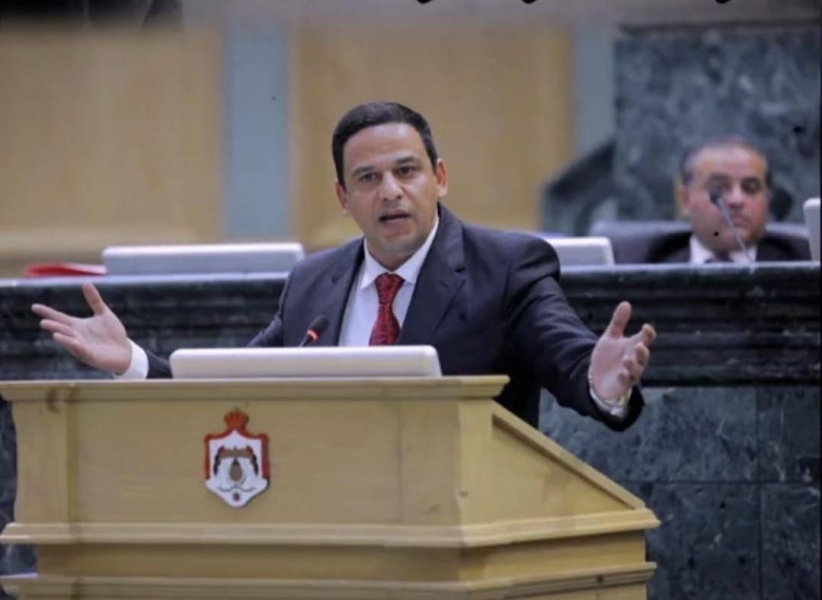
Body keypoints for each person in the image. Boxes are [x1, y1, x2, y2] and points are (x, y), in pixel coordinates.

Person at [31, 101, 656, 432]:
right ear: (343, 197)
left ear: (439, 179)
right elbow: (232, 385)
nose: (391, 192)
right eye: (368, 178)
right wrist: (133, 362)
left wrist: (602, 382)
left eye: (407, 172)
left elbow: (570, 360)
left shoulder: (507, 267)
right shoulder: (313, 282)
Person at [617, 136, 811, 264]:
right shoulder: (645, 263)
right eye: (718, 189)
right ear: (685, 200)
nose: (736, 200)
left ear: (768, 200)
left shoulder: (804, 263)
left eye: (750, 188)